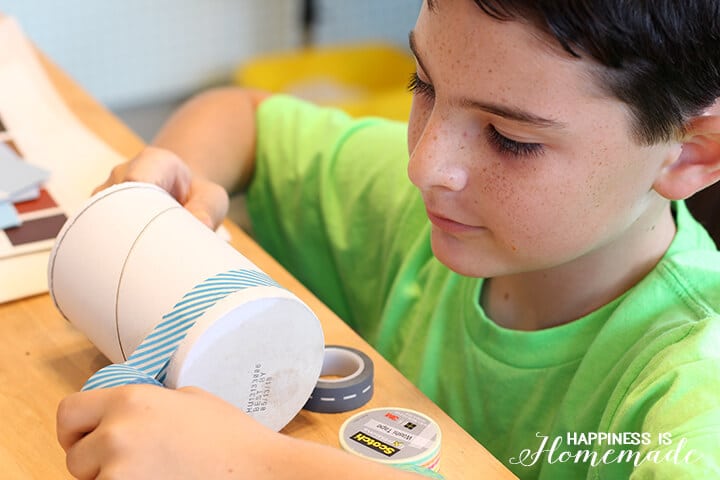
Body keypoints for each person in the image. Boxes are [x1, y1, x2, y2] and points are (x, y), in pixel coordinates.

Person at [56, 0, 720, 478]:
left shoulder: (695, 382)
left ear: (692, 153)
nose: (425, 165)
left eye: (510, 139)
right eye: (423, 85)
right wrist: (184, 176)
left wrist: (253, 463)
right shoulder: (431, 205)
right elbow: (240, 117)